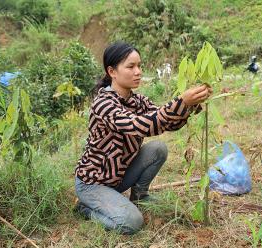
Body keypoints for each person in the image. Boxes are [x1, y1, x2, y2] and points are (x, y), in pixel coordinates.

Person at [74, 42, 212, 234]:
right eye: (130, 67)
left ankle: (139, 195)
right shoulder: (103, 103)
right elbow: (140, 125)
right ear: (112, 71)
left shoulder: (138, 100)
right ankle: (85, 209)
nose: (138, 71)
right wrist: (181, 102)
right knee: (131, 223)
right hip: (94, 182)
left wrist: (189, 106)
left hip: (119, 177)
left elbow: (166, 122)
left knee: (158, 149)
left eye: (139, 66)